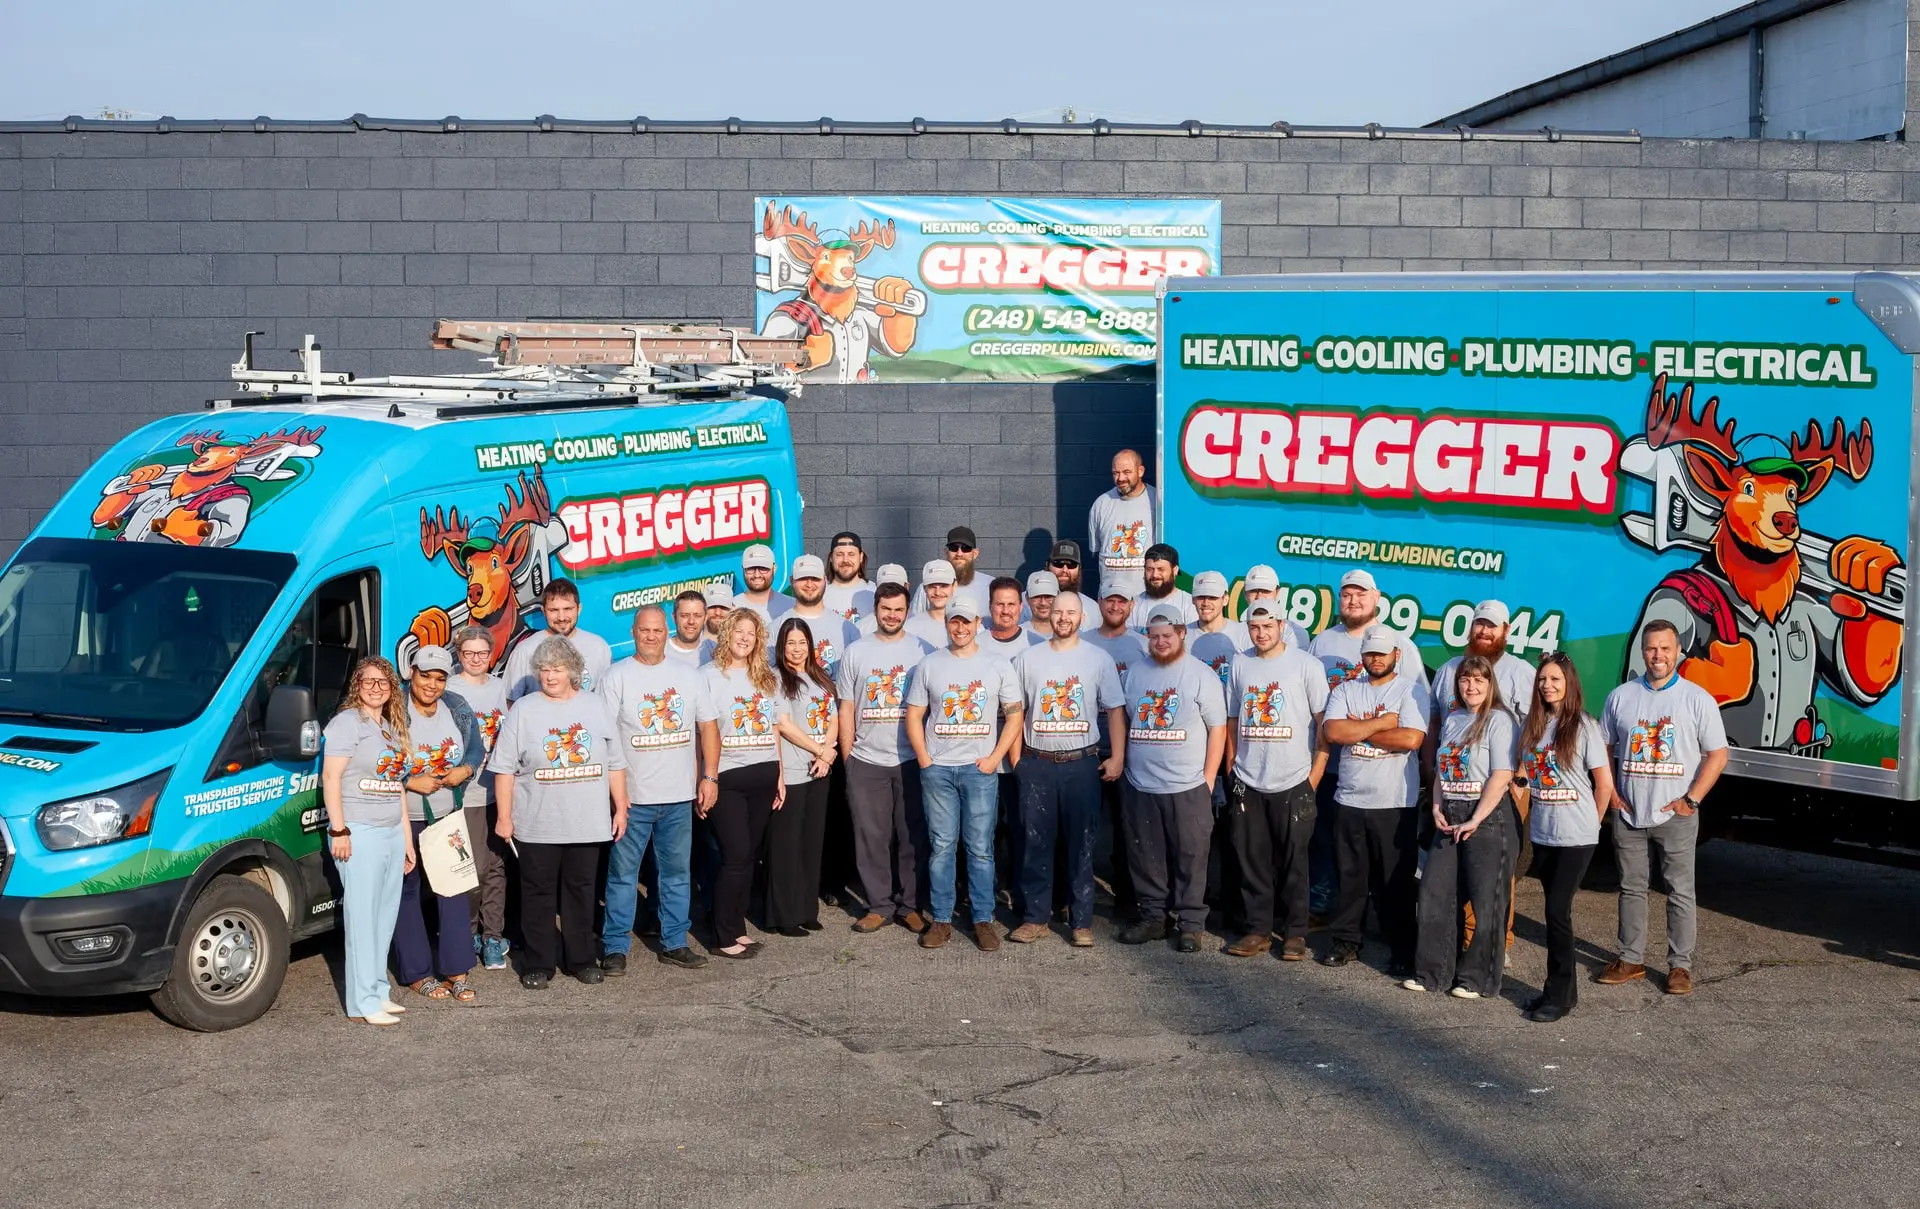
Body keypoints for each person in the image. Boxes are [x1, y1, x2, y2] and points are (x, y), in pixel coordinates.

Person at [489, 636, 629, 989]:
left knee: (581, 892)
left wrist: (621, 807)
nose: (550, 676)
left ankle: (580, 959)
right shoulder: (523, 710)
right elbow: (504, 768)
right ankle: (538, 962)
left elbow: (615, 763)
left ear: (573, 671)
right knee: (537, 894)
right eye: (545, 669)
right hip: (537, 824)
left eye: (558, 668)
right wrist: (504, 818)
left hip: (587, 822)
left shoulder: (595, 706)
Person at [1597, 620, 1729, 996]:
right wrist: (1611, 793)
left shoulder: (1696, 699)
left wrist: (1692, 800)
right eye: (1652, 649)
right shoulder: (1621, 696)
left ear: (1678, 652)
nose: (1658, 656)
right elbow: (1603, 747)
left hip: (1676, 814)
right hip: (1629, 812)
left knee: (1680, 891)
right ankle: (1630, 959)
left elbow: (1718, 754)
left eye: (1666, 649)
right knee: (1631, 888)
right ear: (1643, 651)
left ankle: (1680, 967)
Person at [1309, 568, 1428, 920]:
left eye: (1361, 594)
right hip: (1332, 766)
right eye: (1346, 594)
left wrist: (1356, 730)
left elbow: (1419, 715)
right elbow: (1320, 715)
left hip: (1385, 775)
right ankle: (1325, 910)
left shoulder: (1401, 646)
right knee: (1330, 845)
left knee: (1383, 854)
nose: (1353, 600)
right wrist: (1372, 725)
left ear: (1377, 598)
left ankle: (1381, 919)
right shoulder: (1323, 642)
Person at [906, 596, 1023, 951]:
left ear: (978, 624)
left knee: (980, 849)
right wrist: (925, 760)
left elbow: (1015, 715)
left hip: (979, 770)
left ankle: (982, 919)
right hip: (938, 769)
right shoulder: (929, 665)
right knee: (942, 847)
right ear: (947, 624)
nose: (960, 627)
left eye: (966, 621)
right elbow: (914, 716)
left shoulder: (997, 665)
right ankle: (941, 920)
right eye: (954, 621)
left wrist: (994, 759)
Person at [1009, 594, 1126, 946]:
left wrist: (1117, 756)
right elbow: (1016, 711)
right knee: (1036, 843)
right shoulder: (1028, 659)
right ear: (1047, 614)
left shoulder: (1097, 658)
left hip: (1082, 764)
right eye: (1058, 611)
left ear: (1081, 616)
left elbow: (1116, 710)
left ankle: (1081, 922)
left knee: (1082, 845)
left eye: (1070, 612)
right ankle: (1035, 918)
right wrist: (1017, 760)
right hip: (1038, 764)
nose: (1063, 618)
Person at [599, 606, 709, 973]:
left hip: (678, 796)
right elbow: (605, 737)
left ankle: (674, 941)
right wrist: (617, 796)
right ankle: (616, 947)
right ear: (634, 632)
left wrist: (708, 777)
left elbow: (706, 727)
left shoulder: (688, 675)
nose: (651, 636)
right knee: (622, 877)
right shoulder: (616, 676)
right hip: (632, 799)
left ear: (667, 632)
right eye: (644, 630)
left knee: (677, 874)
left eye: (658, 630)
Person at [1116, 606, 1228, 953]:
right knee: (1146, 857)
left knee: (1191, 856)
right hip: (1141, 785)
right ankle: (1153, 918)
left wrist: (1208, 779)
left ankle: (1190, 925)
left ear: (1182, 634)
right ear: (1147, 638)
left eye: (1168, 635)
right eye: (1154, 636)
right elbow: (1128, 718)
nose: (1161, 642)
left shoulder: (1200, 675)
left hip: (1188, 786)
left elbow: (1218, 729)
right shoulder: (1134, 674)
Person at [1223, 601, 1329, 961]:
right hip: (1249, 779)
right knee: (1251, 858)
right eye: (1255, 627)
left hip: (1294, 778)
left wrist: (1312, 779)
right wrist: (1231, 769)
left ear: (1282, 625)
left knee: (1295, 861)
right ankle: (1258, 930)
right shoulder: (1240, 663)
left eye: (1268, 625)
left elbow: (1323, 727)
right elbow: (1233, 719)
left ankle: (1295, 933)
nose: (1261, 633)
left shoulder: (1306, 665)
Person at [1408, 655, 1519, 999]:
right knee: (1434, 894)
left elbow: (1502, 775)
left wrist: (1476, 818)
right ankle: (1432, 973)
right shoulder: (1454, 718)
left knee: (1487, 902)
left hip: (1488, 816)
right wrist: (1438, 805)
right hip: (1450, 812)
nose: (1471, 686)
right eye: (1465, 680)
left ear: (1490, 685)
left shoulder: (1500, 720)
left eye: (1479, 681)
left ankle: (1477, 979)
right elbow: (1443, 770)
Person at [1318, 627, 1427, 973]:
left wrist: (1359, 728)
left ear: (1396, 654)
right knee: (1350, 878)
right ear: (1361, 656)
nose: (1376, 659)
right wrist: (1382, 723)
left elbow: (1411, 738)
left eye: (1382, 653)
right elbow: (1334, 732)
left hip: (1394, 802)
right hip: (1349, 798)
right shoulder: (1347, 689)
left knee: (1394, 881)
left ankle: (1402, 948)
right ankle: (1347, 940)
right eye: (1370, 653)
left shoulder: (1410, 690)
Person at [1515, 652, 1615, 1022]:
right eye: (1543, 680)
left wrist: (1593, 823)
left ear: (1569, 683)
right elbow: (1526, 773)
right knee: (1555, 911)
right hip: (1544, 832)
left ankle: (1559, 996)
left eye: (1555, 679)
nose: (1548, 685)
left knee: (1557, 912)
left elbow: (1603, 783)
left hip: (1576, 835)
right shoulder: (1535, 726)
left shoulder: (1584, 726)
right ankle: (1560, 991)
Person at [836, 581, 935, 933]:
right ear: (875, 609)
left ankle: (909, 905)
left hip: (910, 760)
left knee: (911, 837)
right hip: (866, 761)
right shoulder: (856, 652)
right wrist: (849, 758)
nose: (891, 615)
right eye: (885, 609)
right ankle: (879, 905)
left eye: (898, 609)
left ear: (907, 611)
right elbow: (845, 708)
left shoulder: (924, 650)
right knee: (870, 836)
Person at [321, 656, 415, 1026]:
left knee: (384, 914)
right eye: (368, 681)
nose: (376, 687)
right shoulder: (346, 723)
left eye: (383, 682)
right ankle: (361, 1002)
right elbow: (331, 778)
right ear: (356, 685)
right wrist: (339, 830)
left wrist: (407, 840)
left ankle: (378, 990)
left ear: (392, 688)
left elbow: (398, 789)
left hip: (391, 829)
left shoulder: (390, 728)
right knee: (361, 917)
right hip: (359, 830)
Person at [392, 645, 484, 1004]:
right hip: (403, 818)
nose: (431, 684)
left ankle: (457, 971)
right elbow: (375, 757)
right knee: (406, 893)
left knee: (453, 891)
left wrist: (466, 769)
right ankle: (417, 973)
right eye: (425, 675)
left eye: (439, 677)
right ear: (411, 672)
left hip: (446, 815)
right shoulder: (393, 708)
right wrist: (407, 781)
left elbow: (475, 749)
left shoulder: (457, 707)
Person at [695, 609, 786, 959]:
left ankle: (736, 927)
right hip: (727, 777)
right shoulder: (707, 676)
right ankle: (721, 936)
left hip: (763, 773)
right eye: (739, 631)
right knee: (733, 855)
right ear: (728, 633)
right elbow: (702, 731)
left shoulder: (767, 678)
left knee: (748, 857)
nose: (745, 638)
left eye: (752, 633)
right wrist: (704, 779)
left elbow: (774, 728)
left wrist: (779, 775)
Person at [768, 615, 839, 937]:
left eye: (802, 643)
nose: (796, 649)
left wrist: (828, 752)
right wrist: (820, 750)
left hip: (819, 772)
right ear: (781, 647)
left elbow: (833, 716)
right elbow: (783, 724)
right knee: (787, 847)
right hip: (794, 772)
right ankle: (784, 915)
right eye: (790, 643)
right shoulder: (776, 679)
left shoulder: (820, 677)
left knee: (812, 844)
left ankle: (807, 909)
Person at [1083, 584, 1149, 917]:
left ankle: (1127, 898)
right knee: (1083, 828)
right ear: (1099, 603)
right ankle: (1075, 897)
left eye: (1121, 600)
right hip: (1088, 748)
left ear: (1131, 605)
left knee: (1128, 829)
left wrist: (1122, 756)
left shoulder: (1141, 645)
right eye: (1109, 599)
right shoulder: (1084, 643)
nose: (1115, 605)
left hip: (1130, 751)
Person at [449, 625, 511, 971]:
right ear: (459, 655)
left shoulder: (501, 688)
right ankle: (467, 932)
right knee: (470, 870)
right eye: (468, 653)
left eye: (482, 653)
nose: (476, 659)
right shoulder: (449, 689)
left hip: (497, 791)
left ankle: (492, 937)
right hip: (466, 794)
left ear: (492, 655)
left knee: (496, 867)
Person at [502, 579, 613, 702]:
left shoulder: (599, 647)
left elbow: (606, 698)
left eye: (568, 609)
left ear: (579, 609)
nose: (561, 617)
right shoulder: (524, 650)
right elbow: (509, 701)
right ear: (544, 611)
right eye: (554, 610)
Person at [1431, 600, 1536, 717]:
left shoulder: (1521, 672)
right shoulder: (1448, 669)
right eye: (1479, 623)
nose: (1484, 631)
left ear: (1506, 630)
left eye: (1492, 625)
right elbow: (1433, 719)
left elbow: (1534, 726)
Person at [1089, 448, 1158, 597]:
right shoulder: (1101, 504)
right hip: (1110, 601)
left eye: (1127, 472)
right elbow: (1095, 550)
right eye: (1116, 473)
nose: (1120, 478)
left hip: (1146, 600)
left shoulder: (1156, 502)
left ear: (1140, 471)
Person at [785, 553, 860, 680]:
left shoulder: (848, 629)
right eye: (803, 578)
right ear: (792, 581)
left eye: (815, 579)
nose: (809, 584)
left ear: (825, 580)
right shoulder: (776, 628)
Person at [1186, 571, 1248, 689]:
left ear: (1225, 599)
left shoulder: (1243, 634)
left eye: (1212, 597)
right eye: (1201, 597)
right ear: (1193, 599)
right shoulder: (1181, 636)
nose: (1206, 603)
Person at [912, 526, 992, 615]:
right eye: (954, 548)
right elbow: (913, 624)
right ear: (946, 552)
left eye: (966, 548)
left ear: (975, 553)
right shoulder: (928, 587)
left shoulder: (991, 586)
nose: (959, 553)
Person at [1241, 565, 1313, 651]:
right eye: (1253, 590)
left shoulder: (1296, 634)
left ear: (1277, 592)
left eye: (1266, 591)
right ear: (1245, 594)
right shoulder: (1234, 633)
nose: (1259, 596)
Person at [1131, 543, 1197, 628]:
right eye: (1149, 569)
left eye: (1161, 569)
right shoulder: (1134, 604)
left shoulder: (1189, 604)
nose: (1155, 575)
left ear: (1175, 570)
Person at [1044, 539, 1101, 628]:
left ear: (1079, 568)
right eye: (1058, 564)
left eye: (1071, 565)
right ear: (1047, 565)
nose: (1064, 570)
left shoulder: (1092, 608)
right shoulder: (1029, 603)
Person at [980, 576, 1040, 660]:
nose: (1005, 611)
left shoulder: (1037, 644)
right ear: (990, 606)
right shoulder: (975, 646)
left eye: (1011, 604)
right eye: (1000, 604)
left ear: (1020, 607)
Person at [735, 543, 794, 626]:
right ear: (743, 569)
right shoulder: (731, 607)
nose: (757, 575)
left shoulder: (791, 606)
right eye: (751, 568)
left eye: (763, 568)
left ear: (774, 568)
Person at [823, 531, 875, 623]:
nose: (845, 560)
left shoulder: (873, 591)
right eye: (839, 554)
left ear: (861, 557)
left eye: (851, 554)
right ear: (831, 557)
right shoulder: (819, 591)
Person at [906, 558, 957, 647]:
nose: (937, 592)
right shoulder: (910, 627)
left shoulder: (968, 627)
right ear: (925, 588)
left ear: (954, 585)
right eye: (932, 586)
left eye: (944, 586)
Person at [856, 564, 911, 636]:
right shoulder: (861, 628)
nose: (891, 591)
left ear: (907, 587)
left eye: (897, 588)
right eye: (886, 587)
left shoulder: (918, 627)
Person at [666, 589, 713, 666]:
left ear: (705, 618)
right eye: (685, 615)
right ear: (674, 617)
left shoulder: (716, 652)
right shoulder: (659, 653)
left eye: (697, 616)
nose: (691, 621)